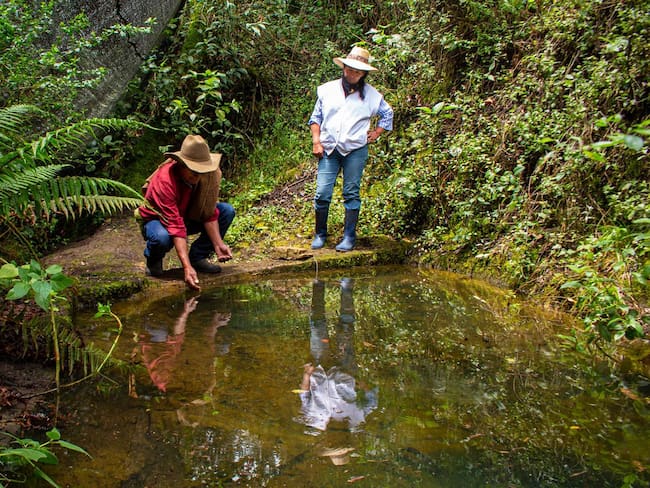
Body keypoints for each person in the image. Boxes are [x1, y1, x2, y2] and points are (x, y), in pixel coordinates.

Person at [308, 46, 394, 252]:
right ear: (343, 68)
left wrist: (376, 133)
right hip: (329, 148)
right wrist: (316, 141)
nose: (352, 73)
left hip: (355, 149)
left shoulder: (372, 96)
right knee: (322, 193)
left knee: (351, 192)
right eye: (349, 69)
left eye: (357, 71)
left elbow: (388, 113)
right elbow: (316, 117)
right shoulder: (327, 90)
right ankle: (320, 233)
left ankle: (349, 237)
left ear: (363, 73)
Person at [136, 134, 235, 290]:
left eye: (200, 171)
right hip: (159, 220)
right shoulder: (165, 180)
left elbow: (209, 212)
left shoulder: (208, 175)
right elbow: (176, 226)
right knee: (162, 238)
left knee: (226, 211)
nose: (198, 176)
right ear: (181, 165)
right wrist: (186, 268)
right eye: (193, 171)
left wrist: (218, 244)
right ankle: (153, 259)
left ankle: (198, 257)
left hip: (188, 215)